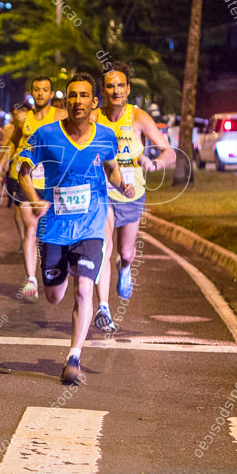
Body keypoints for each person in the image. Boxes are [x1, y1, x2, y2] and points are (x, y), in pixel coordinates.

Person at [26, 73, 133, 385]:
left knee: (85, 287)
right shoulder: (45, 135)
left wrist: (121, 184)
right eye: (72, 96)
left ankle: (74, 357)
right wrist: (33, 198)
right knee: (54, 296)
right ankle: (63, 269)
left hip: (92, 224)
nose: (77, 102)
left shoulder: (106, 136)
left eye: (84, 96)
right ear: (65, 102)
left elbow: (111, 168)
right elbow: (22, 170)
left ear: (94, 102)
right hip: (55, 228)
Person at [91, 62, 175, 332]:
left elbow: (169, 152)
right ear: (103, 90)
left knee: (125, 252)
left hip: (132, 192)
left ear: (127, 89)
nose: (116, 91)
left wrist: (154, 165)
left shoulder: (138, 117)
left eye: (120, 86)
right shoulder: (95, 117)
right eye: (110, 86)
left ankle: (125, 267)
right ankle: (103, 307)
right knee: (103, 248)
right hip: (102, 192)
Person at [8, 77, 67, 301]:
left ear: (51, 94)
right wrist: (7, 162)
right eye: (36, 90)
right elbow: (14, 141)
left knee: (51, 232)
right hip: (28, 179)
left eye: (45, 90)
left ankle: (54, 268)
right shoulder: (23, 118)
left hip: (54, 183)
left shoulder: (60, 116)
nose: (40, 93)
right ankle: (31, 278)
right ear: (31, 92)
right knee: (30, 229)